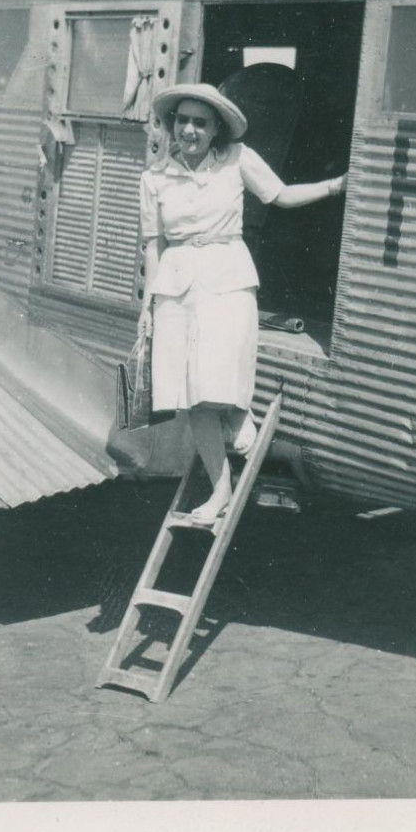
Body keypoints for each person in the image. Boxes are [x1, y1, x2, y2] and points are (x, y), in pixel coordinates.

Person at [138, 83, 347, 526]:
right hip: (176, 282)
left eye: (200, 122)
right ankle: (221, 491)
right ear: (172, 125)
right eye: (182, 120)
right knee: (192, 399)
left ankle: (240, 423)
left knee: (217, 380)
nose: (190, 129)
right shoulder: (154, 178)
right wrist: (149, 305)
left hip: (227, 274)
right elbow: (152, 245)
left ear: (216, 130)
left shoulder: (238, 159)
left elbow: (281, 196)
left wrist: (335, 186)